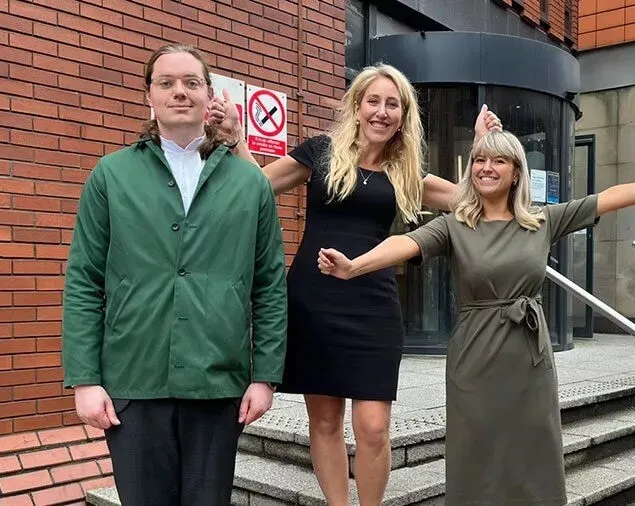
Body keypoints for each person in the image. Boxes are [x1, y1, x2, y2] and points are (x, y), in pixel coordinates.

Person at [316, 130, 635, 505]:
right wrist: (355, 267)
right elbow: (404, 243)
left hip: (528, 358)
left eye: (498, 161)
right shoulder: (454, 225)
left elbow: (608, 197)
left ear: (516, 171)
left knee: (531, 452)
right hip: (475, 358)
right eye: (479, 160)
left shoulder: (541, 220)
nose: (486, 167)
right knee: (477, 453)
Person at [207, 64, 500, 506]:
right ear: (357, 106)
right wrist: (235, 139)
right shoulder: (320, 152)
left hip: (373, 306)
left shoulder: (405, 173)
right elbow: (259, 187)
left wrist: (482, 148)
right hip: (313, 301)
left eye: (393, 104)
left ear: (403, 115)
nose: (382, 112)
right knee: (323, 423)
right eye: (374, 101)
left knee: (374, 427)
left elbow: (468, 198)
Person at [61, 43, 287, 506]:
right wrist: (85, 379)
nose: (179, 92)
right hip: (133, 378)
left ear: (210, 96)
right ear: (150, 96)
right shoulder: (111, 175)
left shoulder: (251, 184)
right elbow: (84, 280)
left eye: (191, 82)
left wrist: (265, 376)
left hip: (216, 380)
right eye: (166, 83)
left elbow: (269, 284)